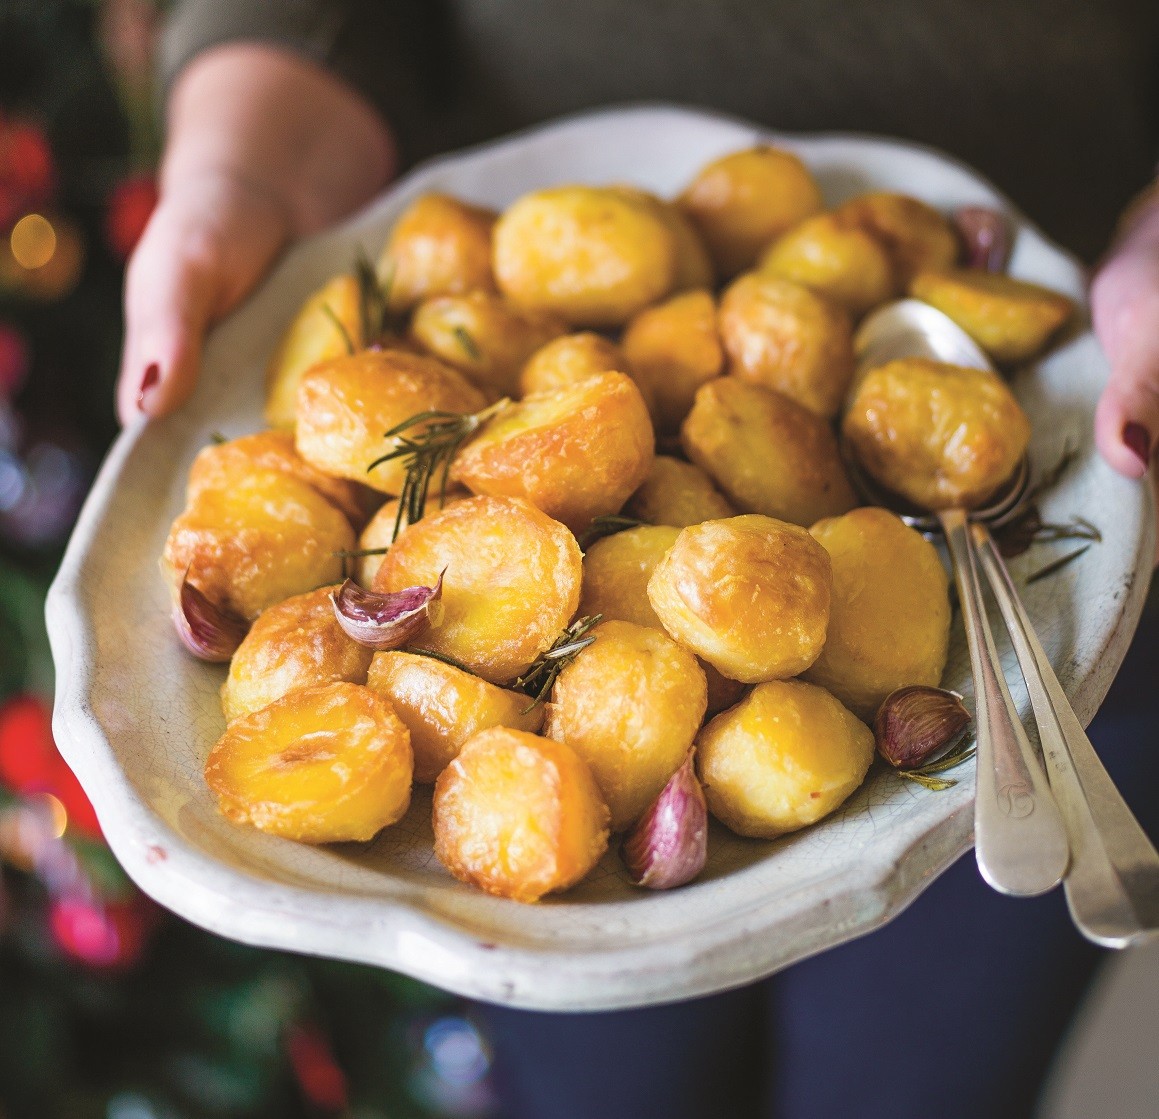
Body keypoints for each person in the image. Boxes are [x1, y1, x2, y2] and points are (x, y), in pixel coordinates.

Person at [118, 4, 1159, 1116]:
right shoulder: (494, 556)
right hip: (475, 168)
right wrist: (256, 157)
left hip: (1099, 398)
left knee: (918, 1084)